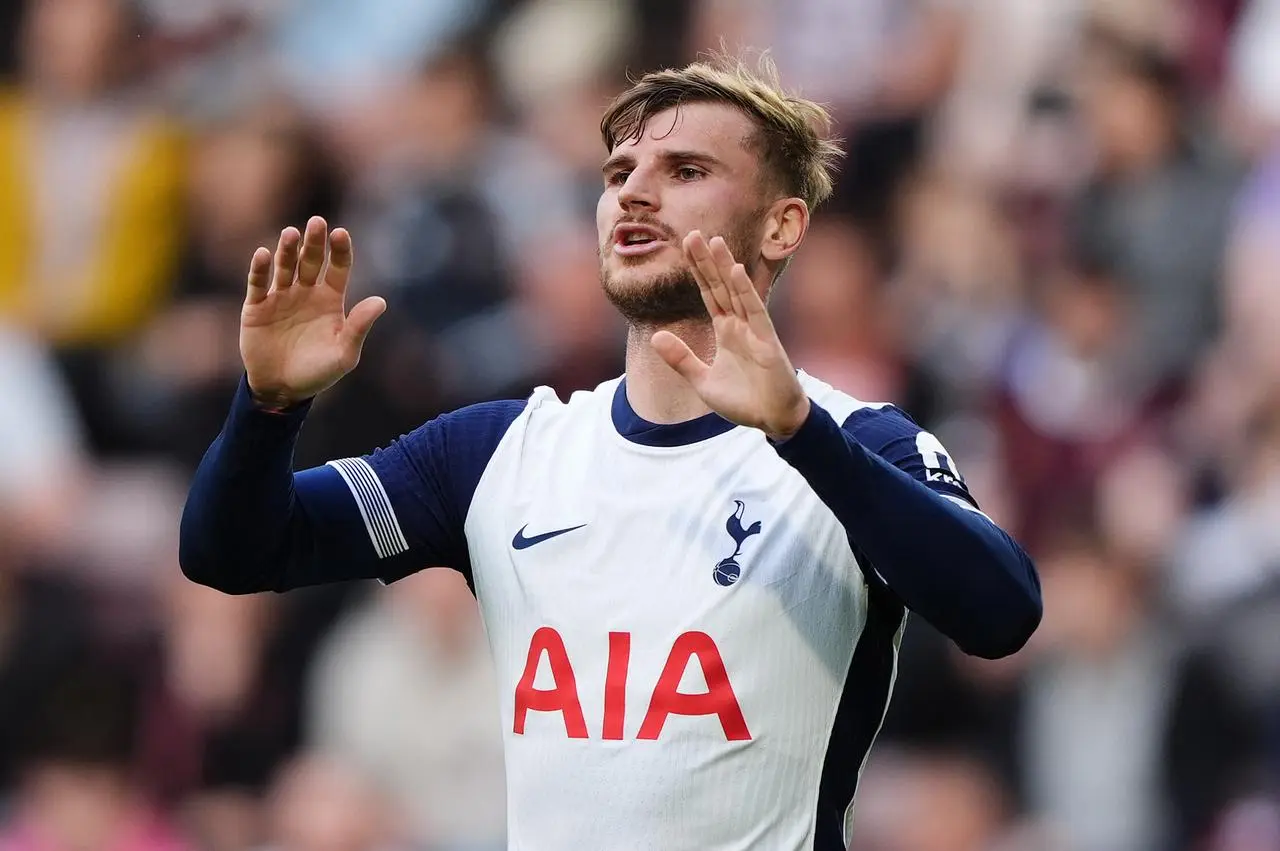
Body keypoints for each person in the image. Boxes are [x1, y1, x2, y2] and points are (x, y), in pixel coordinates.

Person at [179, 54, 1042, 850]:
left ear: (782, 225)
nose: (635, 194)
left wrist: (799, 436)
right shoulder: (499, 453)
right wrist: (267, 406)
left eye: (686, 172)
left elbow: (1000, 612)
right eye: (618, 174)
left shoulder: (854, 442)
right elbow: (233, 550)